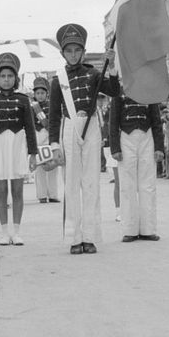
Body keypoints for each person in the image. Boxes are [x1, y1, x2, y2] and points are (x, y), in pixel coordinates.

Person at [47, 23, 120, 255]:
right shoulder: (58, 79)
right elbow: (54, 115)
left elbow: (114, 91)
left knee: (91, 183)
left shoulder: (93, 73)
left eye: (77, 50)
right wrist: (55, 145)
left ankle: (90, 236)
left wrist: (113, 66)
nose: (73, 55)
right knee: (71, 184)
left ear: (84, 52)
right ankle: (74, 237)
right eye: (69, 51)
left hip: (91, 128)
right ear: (62, 53)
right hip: (70, 128)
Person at [0, 52, 38, 245]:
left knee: (18, 190)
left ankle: (17, 231)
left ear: (16, 79)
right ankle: (4, 232)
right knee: (1, 190)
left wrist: (33, 153)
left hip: (17, 145)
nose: (6, 80)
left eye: (10, 76)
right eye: (2, 76)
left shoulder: (23, 99)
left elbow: (30, 128)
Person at [109, 91, 165, 242]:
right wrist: (115, 148)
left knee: (148, 184)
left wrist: (159, 147)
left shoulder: (149, 92)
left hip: (147, 137)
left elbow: (156, 121)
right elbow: (113, 122)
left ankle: (148, 229)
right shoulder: (118, 94)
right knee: (127, 185)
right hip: (126, 138)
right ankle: (129, 230)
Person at [30, 77, 61, 204]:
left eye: (42, 93)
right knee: (40, 168)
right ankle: (42, 195)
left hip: (49, 137)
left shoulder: (51, 105)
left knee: (52, 166)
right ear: (34, 94)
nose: (40, 95)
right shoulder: (32, 107)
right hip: (37, 136)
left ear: (47, 93)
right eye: (38, 93)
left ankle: (53, 194)